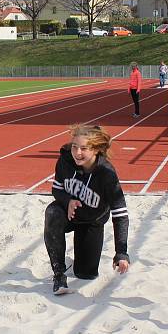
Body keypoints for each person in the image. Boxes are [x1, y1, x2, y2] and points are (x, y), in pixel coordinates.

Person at [44, 124, 130, 295]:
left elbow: (120, 214)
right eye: (75, 147)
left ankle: (78, 261)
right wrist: (67, 201)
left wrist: (121, 252)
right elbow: (57, 188)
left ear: (96, 149)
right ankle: (59, 272)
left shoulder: (107, 174)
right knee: (52, 212)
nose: (77, 153)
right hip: (69, 213)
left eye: (84, 148)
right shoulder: (65, 160)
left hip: (92, 220)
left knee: (85, 274)